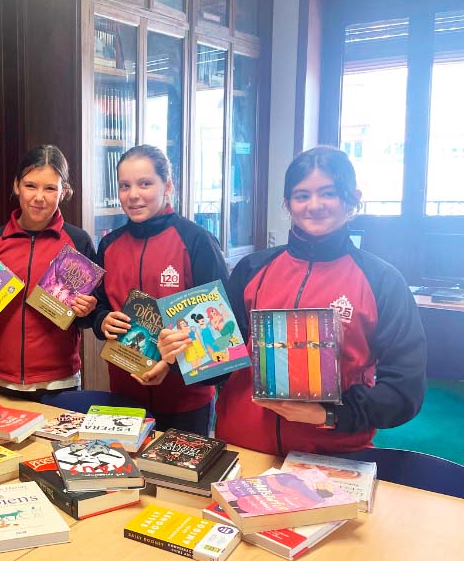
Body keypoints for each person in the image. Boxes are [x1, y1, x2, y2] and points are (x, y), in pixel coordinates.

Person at [160, 146, 426, 454]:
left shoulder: (382, 281)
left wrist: (329, 414)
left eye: (328, 193)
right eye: (302, 196)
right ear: (287, 204)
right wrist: (182, 354)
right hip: (242, 447)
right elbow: (219, 364)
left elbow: (405, 391)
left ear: (352, 197)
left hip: (332, 455)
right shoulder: (252, 269)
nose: (315, 205)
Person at [94, 145, 229, 436]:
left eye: (145, 184)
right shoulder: (109, 245)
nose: (134, 195)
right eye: (125, 186)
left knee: (179, 482)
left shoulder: (196, 240)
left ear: (167, 186)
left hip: (185, 402)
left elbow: (220, 330)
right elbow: (98, 304)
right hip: (124, 399)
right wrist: (101, 320)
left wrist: (171, 364)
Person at [0, 145, 97, 401]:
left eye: (50, 188)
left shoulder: (78, 242)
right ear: (16, 186)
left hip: (60, 382)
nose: (39, 197)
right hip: (0, 379)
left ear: (64, 192)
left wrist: (87, 310)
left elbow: (87, 318)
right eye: (30, 186)